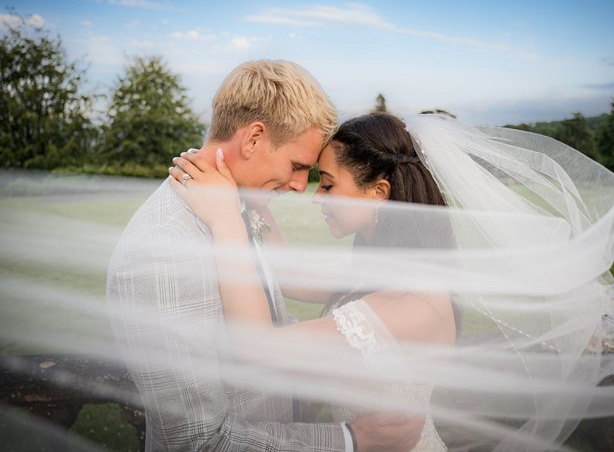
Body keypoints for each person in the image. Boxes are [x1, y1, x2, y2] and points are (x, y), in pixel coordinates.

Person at [107, 62, 424, 452]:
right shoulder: (164, 248)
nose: (298, 186)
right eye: (297, 167)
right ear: (254, 137)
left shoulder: (236, 208)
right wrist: (349, 439)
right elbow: (195, 441)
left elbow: (272, 324)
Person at [169, 113, 458, 451]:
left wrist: (225, 221)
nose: (316, 196)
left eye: (328, 184)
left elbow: (255, 347)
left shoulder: (412, 305)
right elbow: (284, 275)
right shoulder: (384, 273)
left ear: (379, 192)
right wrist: (258, 198)